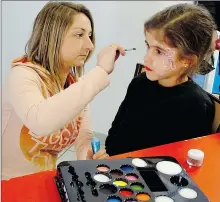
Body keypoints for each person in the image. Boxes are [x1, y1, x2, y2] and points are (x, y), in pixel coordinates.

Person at [2, 2, 126, 180]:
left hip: (44, 180)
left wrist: (90, 155)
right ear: (52, 36)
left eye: (90, 36)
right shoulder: (22, 75)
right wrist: (100, 72)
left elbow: (84, 139)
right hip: (7, 184)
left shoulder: (72, 85)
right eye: (79, 35)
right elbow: (40, 121)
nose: (90, 45)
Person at [105, 3, 218, 156]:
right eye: (148, 46)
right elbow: (115, 135)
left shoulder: (195, 105)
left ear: (187, 60)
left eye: (159, 51)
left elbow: (176, 165)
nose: (147, 58)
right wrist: (109, 154)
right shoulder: (140, 83)